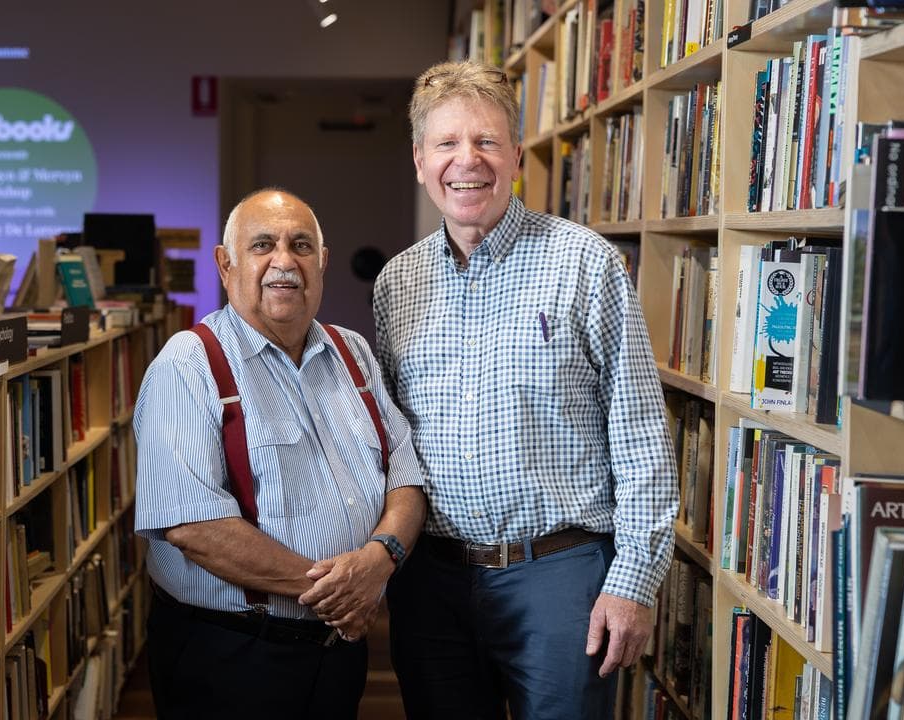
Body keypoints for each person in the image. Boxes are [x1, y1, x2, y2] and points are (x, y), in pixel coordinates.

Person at [372, 60, 679, 720]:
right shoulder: (396, 284)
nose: (467, 160)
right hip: (433, 583)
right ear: (421, 161)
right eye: (447, 143)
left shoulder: (586, 262)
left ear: (516, 155)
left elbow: (641, 436)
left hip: (560, 576)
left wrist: (633, 582)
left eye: (486, 140)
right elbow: (391, 445)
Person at [134, 189, 427, 719]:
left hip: (337, 650)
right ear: (225, 264)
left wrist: (378, 560)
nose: (285, 261)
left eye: (301, 245)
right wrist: (341, 593)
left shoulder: (353, 352)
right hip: (234, 655)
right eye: (263, 245)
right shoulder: (188, 364)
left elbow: (405, 475)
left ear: (323, 262)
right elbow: (193, 525)